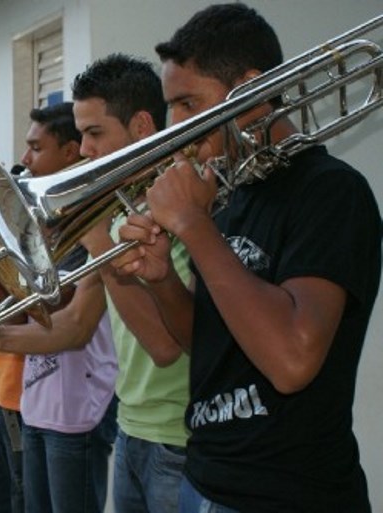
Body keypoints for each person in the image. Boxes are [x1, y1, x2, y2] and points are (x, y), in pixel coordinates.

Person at [112, 4, 380, 512]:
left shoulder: (332, 192)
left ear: (253, 93)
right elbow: (207, 341)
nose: (175, 127)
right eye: (172, 106)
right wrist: (163, 278)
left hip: (289, 495)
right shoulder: (228, 194)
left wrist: (193, 225)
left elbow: (291, 361)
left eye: (188, 103)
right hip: (205, 479)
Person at [0, 54, 191, 513]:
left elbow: (164, 348)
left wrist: (94, 236)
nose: (84, 150)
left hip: (177, 440)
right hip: (131, 427)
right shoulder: (120, 213)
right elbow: (75, 324)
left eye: (94, 134)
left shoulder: (179, 208)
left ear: (142, 126)